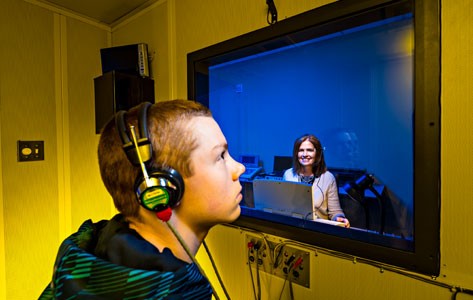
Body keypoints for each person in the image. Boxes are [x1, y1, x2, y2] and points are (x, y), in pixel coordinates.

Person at [39, 100, 245, 299]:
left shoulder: (94, 254)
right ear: (161, 186)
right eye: (221, 156)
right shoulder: (172, 293)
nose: (239, 169)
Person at [282, 134, 350, 227]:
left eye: (309, 150)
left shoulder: (328, 178)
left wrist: (339, 218)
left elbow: (335, 211)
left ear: (317, 153)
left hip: (318, 229)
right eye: (301, 150)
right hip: (293, 226)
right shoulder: (288, 174)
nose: (305, 154)